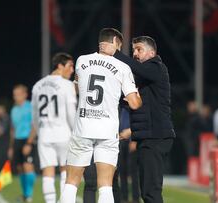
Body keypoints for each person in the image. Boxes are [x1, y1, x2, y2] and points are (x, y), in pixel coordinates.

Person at [60, 28, 142, 203]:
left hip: (83, 126)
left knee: (71, 183)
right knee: (105, 185)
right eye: (118, 46)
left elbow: (76, 89)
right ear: (114, 41)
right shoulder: (122, 66)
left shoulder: (82, 61)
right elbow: (134, 103)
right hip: (107, 130)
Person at [100, 35, 176, 203]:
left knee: (151, 192)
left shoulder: (157, 67)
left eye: (139, 49)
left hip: (156, 137)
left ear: (152, 52)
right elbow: (139, 105)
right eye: (133, 49)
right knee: (147, 191)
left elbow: (136, 69)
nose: (135, 53)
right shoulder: (143, 76)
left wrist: (116, 54)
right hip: (147, 137)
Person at [31, 53, 77, 203]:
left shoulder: (37, 85)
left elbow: (35, 115)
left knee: (48, 173)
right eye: (70, 66)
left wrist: (39, 132)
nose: (72, 70)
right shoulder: (67, 85)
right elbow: (71, 113)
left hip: (45, 134)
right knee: (66, 171)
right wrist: (76, 132)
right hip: (63, 133)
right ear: (60, 66)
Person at [8, 84, 37, 203]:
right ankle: (25, 194)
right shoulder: (13, 109)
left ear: (25, 94)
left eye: (18, 94)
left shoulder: (30, 107)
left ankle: (29, 195)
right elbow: (13, 129)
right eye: (14, 95)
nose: (16, 97)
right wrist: (11, 146)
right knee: (20, 169)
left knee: (28, 167)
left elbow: (34, 126)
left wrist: (29, 143)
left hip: (27, 139)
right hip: (17, 140)